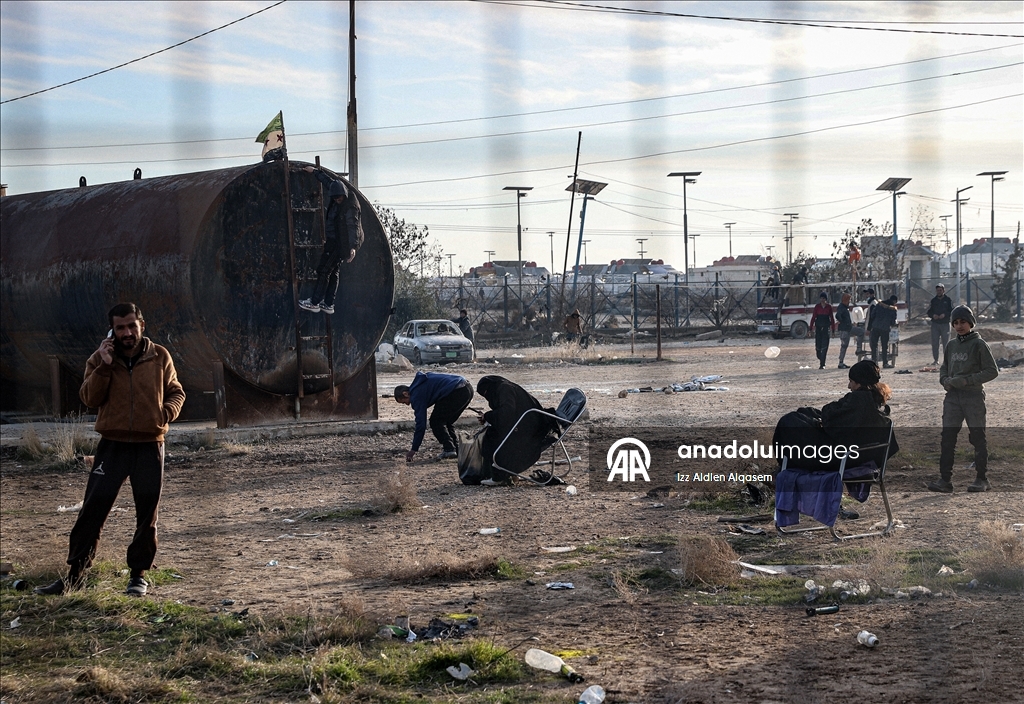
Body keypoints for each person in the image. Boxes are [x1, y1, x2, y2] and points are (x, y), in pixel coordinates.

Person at [35, 303, 185, 597]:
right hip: (112, 446)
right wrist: (104, 364)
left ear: (141, 324)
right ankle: (75, 576)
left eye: (131, 326)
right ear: (112, 330)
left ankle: (138, 576)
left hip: (149, 445)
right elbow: (90, 399)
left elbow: (176, 391)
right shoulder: (101, 358)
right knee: (92, 510)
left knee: (147, 514)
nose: (127, 333)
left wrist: (165, 413)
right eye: (120, 328)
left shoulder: (160, 356)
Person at [928, 306, 999, 494]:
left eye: (963, 322)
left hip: (973, 397)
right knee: (948, 438)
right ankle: (945, 480)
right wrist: (944, 380)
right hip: (952, 397)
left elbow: (992, 371)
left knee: (977, 437)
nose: (959, 326)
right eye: (956, 323)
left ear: (970, 323)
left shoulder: (979, 345)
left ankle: (982, 478)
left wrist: (967, 380)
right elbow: (945, 367)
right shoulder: (951, 345)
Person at [471, 375, 561, 485]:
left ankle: (500, 476)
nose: (487, 397)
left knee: (492, 435)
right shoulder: (504, 387)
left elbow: (507, 412)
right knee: (493, 432)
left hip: (532, 429)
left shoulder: (504, 389)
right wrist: (488, 418)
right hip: (531, 424)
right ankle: (504, 473)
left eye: (486, 393)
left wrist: (488, 416)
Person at [299, 165, 364, 315]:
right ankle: (328, 303)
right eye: (335, 198)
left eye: (339, 198)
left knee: (324, 270)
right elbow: (329, 182)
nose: (337, 200)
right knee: (333, 271)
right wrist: (315, 172)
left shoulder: (350, 206)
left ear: (344, 195)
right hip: (336, 240)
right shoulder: (338, 190)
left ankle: (314, 302)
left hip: (341, 243)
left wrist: (353, 247)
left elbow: (353, 226)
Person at [394, 372, 474, 462]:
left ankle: (449, 449)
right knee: (446, 421)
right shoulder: (420, 384)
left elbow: (421, 424)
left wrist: (414, 449)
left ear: (405, 394)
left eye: (404, 402)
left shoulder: (416, 395)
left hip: (456, 391)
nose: (408, 404)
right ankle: (456, 450)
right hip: (467, 388)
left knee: (435, 422)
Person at [926, 284, 953, 366]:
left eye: (940, 290)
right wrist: (933, 315)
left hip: (945, 324)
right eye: (938, 290)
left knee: (946, 343)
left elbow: (952, 310)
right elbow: (929, 312)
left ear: (943, 291)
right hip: (935, 324)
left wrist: (944, 315)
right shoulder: (933, 301)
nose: (939, 292)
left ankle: (947, 361)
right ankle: (936, 360)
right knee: (935, 343)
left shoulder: (948, 300)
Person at [868, 295, 898, 368]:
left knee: (874, 345)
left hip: (875, 327)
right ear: (894, 301)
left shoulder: (879, 305)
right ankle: (885, 363)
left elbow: (872, 315)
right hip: (885, 329)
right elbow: (893, 321)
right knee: (884, 346)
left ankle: (874, 362)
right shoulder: (893, 309)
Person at [835, 293, 864, 369]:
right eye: (849, 300)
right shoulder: (842, 307)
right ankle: (841, 363)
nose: (849, 301)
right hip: (844, 330)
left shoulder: (844, 307)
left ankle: (858, 349)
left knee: (860, 332)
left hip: (847, 328)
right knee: (844, 346)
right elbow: (838, 315)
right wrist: (841, 321)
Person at [810, 292, 836, 369]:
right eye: (821, 298)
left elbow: (832, 319)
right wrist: (810, 328)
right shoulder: (817, 307)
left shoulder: (829, 307)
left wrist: (833, 330)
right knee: (818, 347)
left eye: (824, 298)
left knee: (825, 346)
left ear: (826, 299)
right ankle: (820, 358)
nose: (822, 300)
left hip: (826, 329)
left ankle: (822, 364)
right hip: (818, 329)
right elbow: (813, 317)